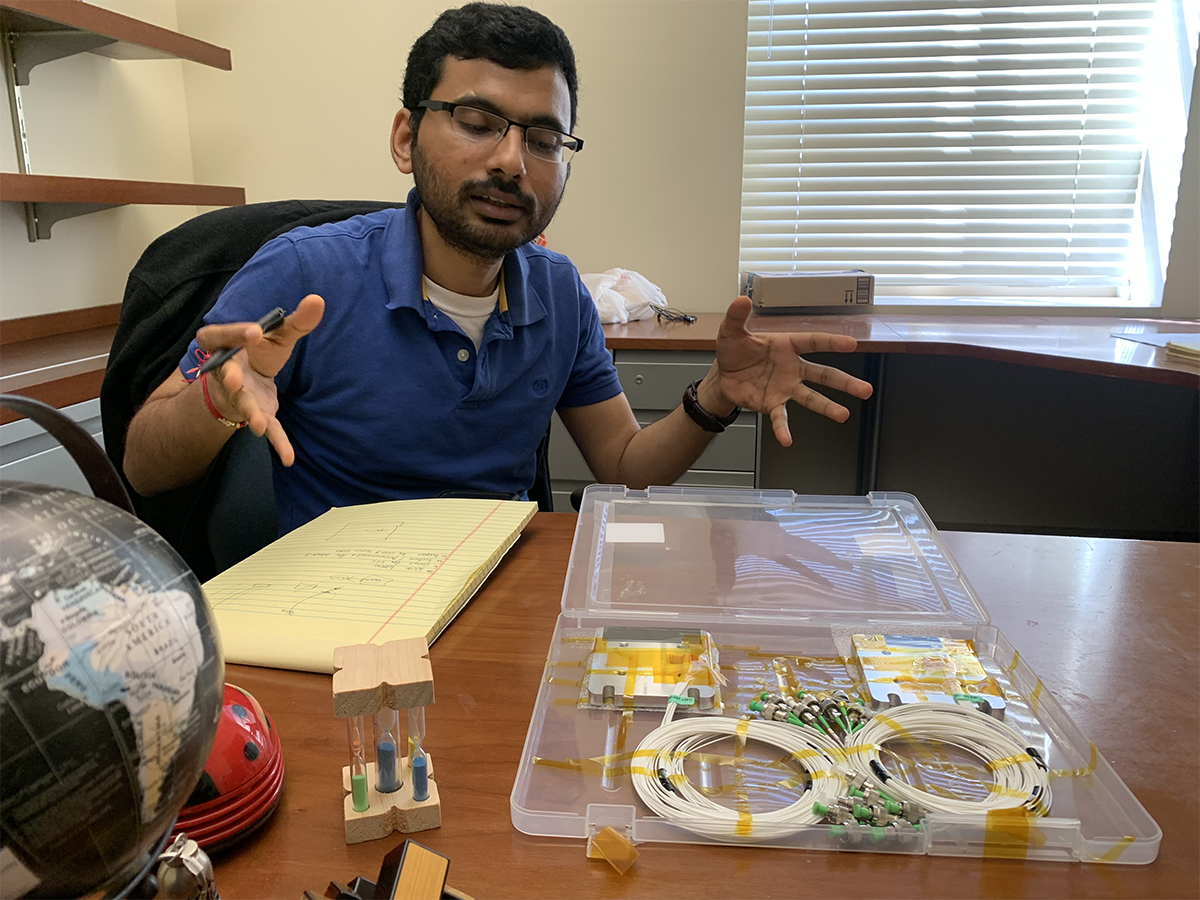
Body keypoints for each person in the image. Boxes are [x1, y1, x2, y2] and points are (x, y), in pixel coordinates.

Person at [122, 3, 873, 536]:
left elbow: (623, 464)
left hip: (502, 595)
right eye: (479, 125)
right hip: (343, 610)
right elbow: (145, 464)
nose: (512, 160)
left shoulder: (560, 294)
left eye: (545, 139)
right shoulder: (303, 274)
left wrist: (716, 395)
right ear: (406, 138)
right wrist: (216, 404)